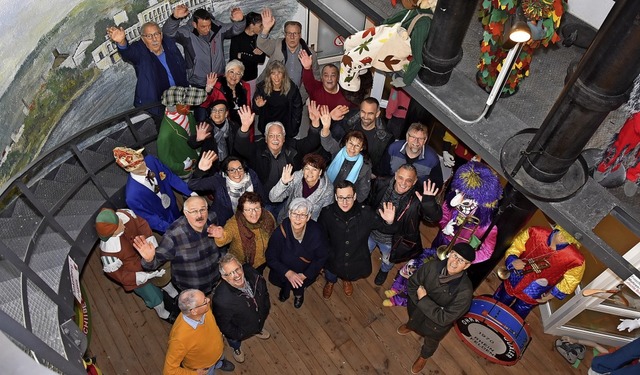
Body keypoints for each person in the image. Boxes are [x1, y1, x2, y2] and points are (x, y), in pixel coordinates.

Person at [397, 243, 475, 374]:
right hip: (416, 310)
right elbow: (412, 285)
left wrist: (423, 300)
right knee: (413, 319)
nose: (455, 262)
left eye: (461, 260)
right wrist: (419, 303)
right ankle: (410, 325)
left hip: (435, 326)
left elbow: (444, 319)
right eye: (455, 255)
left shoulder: (465, 292)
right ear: (450, 254)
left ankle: (424, 356)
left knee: (431, 342)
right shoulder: (432, 266)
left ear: (467, 266)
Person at [233, 106, 321, 218]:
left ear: (284, 138)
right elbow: (241, 147)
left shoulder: (293, 147)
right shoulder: (257, 150)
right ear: (265, 139)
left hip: (288, 201)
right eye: (271, 136)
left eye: (279, 135)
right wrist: (245, 127)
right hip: (263, 202)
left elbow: (311, 143)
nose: (275, 139)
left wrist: (315, 123)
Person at [94, 208, 177, 323]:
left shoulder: (125, 215)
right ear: (112, 233)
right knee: (155, 297)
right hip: (137, 277)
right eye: (119, 225)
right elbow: (120, 276)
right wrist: (143, 276)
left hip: (150, 258)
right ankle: (163, 313)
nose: (123, 224)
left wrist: (150, 245)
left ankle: (174, 294)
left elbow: (141, 224)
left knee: (164, 278)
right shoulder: (109, 254)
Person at [317, 181, 396, 298]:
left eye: (348, 197)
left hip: (356, 256)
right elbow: (320, 236)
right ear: (335, 197)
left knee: (349, 272)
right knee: (331, 271)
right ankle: (330, 282)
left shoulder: (366, 213)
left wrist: (389, 222)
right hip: (333, 255)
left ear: (354, 196)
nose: (344, 202)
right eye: (341, 198)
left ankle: (346, 279)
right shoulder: (326, 213)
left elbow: (387, 229)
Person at [134, 196, 225, 295]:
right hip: (192, 289)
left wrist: (222, 238)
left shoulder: (212, 218)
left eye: (202, 210)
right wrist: (149, 259)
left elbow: (221, 245)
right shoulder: (173, 235)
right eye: (194, 211)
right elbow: (155, 263)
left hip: (217, 279)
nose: (199, 215)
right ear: (185, 213)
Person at [368, 164, 442, 285]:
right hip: (371, 232)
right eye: (401, 178)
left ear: (414, 182)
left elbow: (434, 218)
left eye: (409, 180)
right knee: (365, 250)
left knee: (388, 259)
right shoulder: (381, 182)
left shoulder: (416, 199)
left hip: (393, 240)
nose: (403, 183)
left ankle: (384, 270)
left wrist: (428, 203)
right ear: (396, 175)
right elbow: (370, 201)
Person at [493, 225, 586, 319]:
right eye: (562, 234)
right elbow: (516, 246)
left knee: (520, 310)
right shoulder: (534, 232)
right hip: (516, 276)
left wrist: (552, 294)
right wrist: (512, 260)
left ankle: (508, 324)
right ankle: (491, 312)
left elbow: (571, 281)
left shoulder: (576, 259)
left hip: (536, 288)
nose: (563, 239)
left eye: (568, 239)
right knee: (502, 297)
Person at [107, 22, 188, 116]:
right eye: (149, 36)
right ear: (143, 39)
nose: (154, 39)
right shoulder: (140, 50)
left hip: (180, 96)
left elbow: (181, 64)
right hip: (158, 103)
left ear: (161, 35)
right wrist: (121, 42)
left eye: (156, 34)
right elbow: (128, 53)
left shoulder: (169, 44)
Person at [113, 147, 194, 234]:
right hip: (162, 220)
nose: (145, 166)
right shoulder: (132, 196)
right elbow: (149, 218)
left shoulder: (151, 161)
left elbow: (170, 176)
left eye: (142, 161)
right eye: (139, 167)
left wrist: (191, 192)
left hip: (173, 205)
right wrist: (171, 230)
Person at [266, 198, 328, 308]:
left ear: (308, 217)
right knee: (285, 283)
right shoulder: (280, 232)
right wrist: (288, 273)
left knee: (299, 286)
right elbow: (271, 257)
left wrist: (305, 275)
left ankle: (299, 294)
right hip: (284, 271)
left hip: (304, 272)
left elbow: (321, 257)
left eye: (303, 215)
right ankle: (285, 292)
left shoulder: (316, 231)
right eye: (295, 213)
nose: (298, 218)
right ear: (289, 214)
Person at [163, 5, 245, 88]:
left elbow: (236, 29)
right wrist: (174, 18)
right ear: (194, 24)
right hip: (198, 82)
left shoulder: (218, 28)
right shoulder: (186, 33)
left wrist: (240, 20)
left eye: (209, 25)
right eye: (203, 26)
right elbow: (167, 33)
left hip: (218, 79)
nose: (207, 29)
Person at [211, 254, 271, 364]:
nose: (237, 275)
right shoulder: (221, 300)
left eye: (237, 269)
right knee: (234, 340)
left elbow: (265, 293)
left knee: (257, 325)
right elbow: (224, 325)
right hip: (240, 329)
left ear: (241, 267)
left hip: (258, 317)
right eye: (230, 273)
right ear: (224, 277)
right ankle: (236, 348)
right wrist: (239, 334)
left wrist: (266, 308)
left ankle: (257, 330)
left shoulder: (253, 274)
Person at [164, 289, 235, 374]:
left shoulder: (204, 309)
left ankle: (219, 363)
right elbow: (169, 371)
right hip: (205, 367)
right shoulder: (179, 339)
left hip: (217, 350)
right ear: (194, 311)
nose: (208, 300)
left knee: (219, 357)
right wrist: (195, 373)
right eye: (204, 301)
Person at [257, 8, 320, 102]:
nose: (292, 37)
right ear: (285, 34)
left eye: (295, 33)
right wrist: (265, 29)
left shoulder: (309, 53)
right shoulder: (277, 45)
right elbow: (261, 44)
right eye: (289, 33)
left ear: (300, 35)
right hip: (272, 93)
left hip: (296, 96)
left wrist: (302, 96)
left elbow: (316, 76)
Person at [189, 153, 266, 225]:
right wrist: (200, 170)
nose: (237, 173)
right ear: (226, 172)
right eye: (232, 170)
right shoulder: (218, 181)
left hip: (249, 218)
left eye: (240, 168)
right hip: (225, 221)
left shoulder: (251, 176)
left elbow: (260, 196)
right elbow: (193, 185)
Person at [208, 192, 275, 273]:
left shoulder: (268, 216)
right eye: (248, 210)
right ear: (242, 211)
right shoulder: (234, 224)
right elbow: (224, 237)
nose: (254, 213)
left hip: (264, 259)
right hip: (243, 264)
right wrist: (220, 235)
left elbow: (274, 233)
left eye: (257, 208)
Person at [318, 104, 372, 202]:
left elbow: (363, 191)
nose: (352, 148)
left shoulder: (365, 166)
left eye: (357, 146)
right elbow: (327, 142)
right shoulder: (338, 151)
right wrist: (326, 127)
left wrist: (350, 204)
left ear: (361, 148)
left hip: (344, 201)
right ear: (346, 143)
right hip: (324, 192)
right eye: (350, 143)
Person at [157, 86, 207, 178]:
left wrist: (199, 150)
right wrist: (182, 166)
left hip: (197, 158)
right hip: (185, 170)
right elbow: (165, 160)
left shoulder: (188, 115)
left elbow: (194, 132)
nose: (188, 106)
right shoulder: (165, 134)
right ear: (173, 107)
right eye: (184, 104)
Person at [269, 153, 334, 223]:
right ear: (303, 170)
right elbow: (273, 198)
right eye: (307, 168)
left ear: (320, 172)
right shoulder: (296, 177)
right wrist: (283, 183)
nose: (310, 172)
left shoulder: (328, 190)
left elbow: (326, 215)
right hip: (287, 220)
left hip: (309, 227)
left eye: (314, 169)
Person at [340, 97, 393, 176]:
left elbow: (383, 163)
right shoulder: (349, 121)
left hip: (365, 174)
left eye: (370, 113)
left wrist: (373, 174)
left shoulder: (386, 137)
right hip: (343, 166)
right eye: (363, 112)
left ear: (377, 114)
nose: (365, 116)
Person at [381, 122, 443, 188]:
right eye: (413, 137)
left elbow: (437, 183)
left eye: (420, 138)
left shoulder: (432, 158)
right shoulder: (393, 148)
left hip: (416, 193)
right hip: (392, 187)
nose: (416, 142)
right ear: (407, 137)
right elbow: (382, 171)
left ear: (425, 140)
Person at [253, 60, 303, 139]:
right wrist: (258, 106)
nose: (276, 77)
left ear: (283, 75)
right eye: (273, 73)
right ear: (269, 75)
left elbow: (297, 109)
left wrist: (294, 126)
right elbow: (255, 110)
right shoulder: (261, 88)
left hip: (286, 124)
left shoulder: (292, 88)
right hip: (267, 124)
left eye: (279, 73)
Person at [187, 100, 238, 172]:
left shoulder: (233, 126)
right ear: (210, 114)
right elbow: (191, 144)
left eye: (221, 110)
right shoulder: (204, 126)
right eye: (214, 110)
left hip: (229, 163)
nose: (217, 113)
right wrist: (198, 139)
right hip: (210, 165)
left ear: (226, 113)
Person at [229, 11, 266, 98]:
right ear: (252, 25)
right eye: (260, 25)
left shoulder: (260, 39)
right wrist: (253, 56)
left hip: (252, 77)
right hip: (237, 78)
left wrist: (242, 55)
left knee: (250, 103)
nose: (262, 28)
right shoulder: (237, 37)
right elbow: (233, 58)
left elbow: (261, 60)